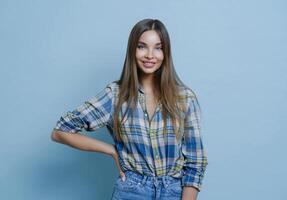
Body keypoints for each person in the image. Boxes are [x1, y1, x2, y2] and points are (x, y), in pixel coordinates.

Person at [51, 18, 208, 200]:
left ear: (166, 53)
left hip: (174, 190)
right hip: (132, 192)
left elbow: (196, 162)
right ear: (133, 50)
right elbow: (60, 131)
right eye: (142, 46)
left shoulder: (184, 98)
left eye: (158, 47)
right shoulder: (116, 95)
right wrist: (110, 150)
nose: (150, 55)